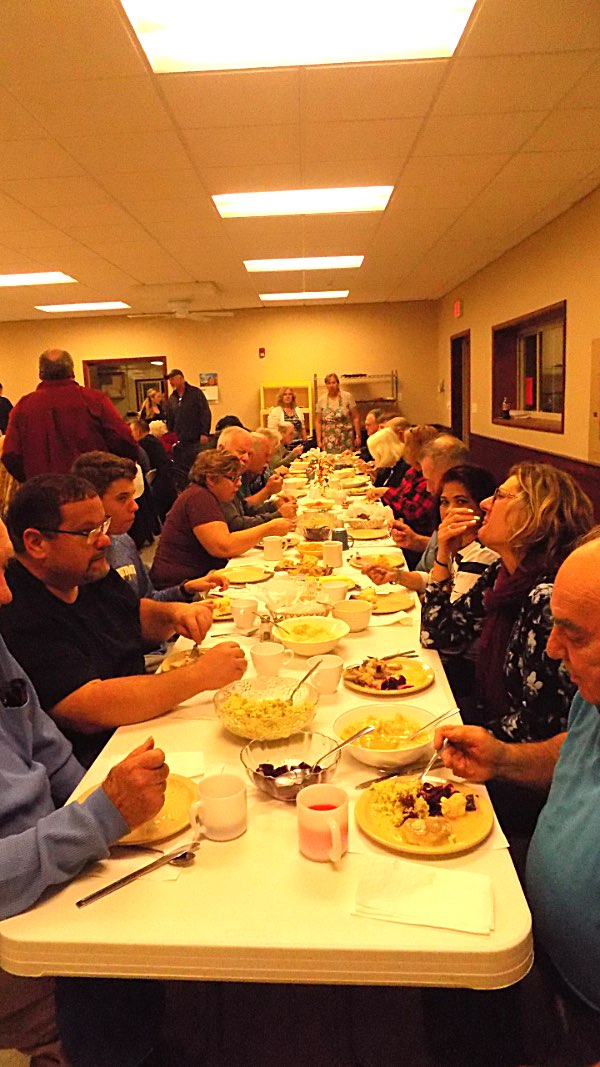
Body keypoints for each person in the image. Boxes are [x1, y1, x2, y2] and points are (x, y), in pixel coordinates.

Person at [432, 535, 600, 1065]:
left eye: (573, 634)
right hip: (528, 935)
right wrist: (503, 759)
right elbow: (576, 749)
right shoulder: (594, 695)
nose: (551, 649)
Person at [0, 474, 247, 767]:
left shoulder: (87, 571)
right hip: (106, 756)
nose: (105, 539)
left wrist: (174, 613)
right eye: (88, 531)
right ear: (36, 542)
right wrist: (199, 676)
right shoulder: (16, 605)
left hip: (146, 720)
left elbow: (132, 617)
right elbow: (87, 708)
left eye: (102, 525)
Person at [421, 462, 594, 743]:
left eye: (500, 496)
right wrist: (443, 555)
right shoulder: (503, 574)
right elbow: (437, 633)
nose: (486, 503)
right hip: (489, 719)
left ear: (537, 514)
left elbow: (540, 726)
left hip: (518, 757)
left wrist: (453, 736)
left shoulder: (550, 597)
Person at [71, 451, 228, 606]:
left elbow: (149, 600)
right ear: (94, 502)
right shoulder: (80, 561)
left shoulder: (124, 541)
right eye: (122, 498)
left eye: (133, 496)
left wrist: (185, 589)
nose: (135, 506)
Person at [150, 450, 293, 589]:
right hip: (178, 587)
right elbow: (224, 547)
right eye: (233, 478)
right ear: (211, 479)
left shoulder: (208, 494)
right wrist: (269, 528)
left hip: (200, 578)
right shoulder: (198, 498)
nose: (238, 484)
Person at [1, 349, 138, 482]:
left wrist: (31, 478)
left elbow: (10, 454)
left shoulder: (24, 406)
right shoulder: (94, 400)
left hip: (43, 492)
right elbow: (124, 441)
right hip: (90, 489)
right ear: (71, 371)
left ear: (41, 373)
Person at [217, 426, 296, 532]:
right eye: (241, 452)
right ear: (221, 449)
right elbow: (236, 524)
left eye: (249, 454)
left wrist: (274, 505)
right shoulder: (216, 479)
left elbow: (245, 509)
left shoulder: (232, 475)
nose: (246, 458)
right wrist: (277, 516)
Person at [128, 416, 177, 521]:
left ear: (137, 431)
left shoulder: (142, 446)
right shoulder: (155, 441)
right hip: (167, 484)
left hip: (157, 488)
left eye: (131, 431)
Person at [165, 368, 211, 463]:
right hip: (179, 440)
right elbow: (170, 418)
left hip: (195, 438)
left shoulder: (195, 393)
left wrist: (204, 432)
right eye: (169, 380)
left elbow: (205, 412)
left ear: (181, 378)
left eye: (173, 378)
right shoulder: (172, 398)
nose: (171, 382)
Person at [315, 373, 361, 454]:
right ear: (326, 385)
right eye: (329, 383)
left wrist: (358, 436)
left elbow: (356, 417)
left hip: (345, 437)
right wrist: (319, 441)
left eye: (333, 382)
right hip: (328, 439)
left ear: (338, 383)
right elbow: (318, 421)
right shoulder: (321, 400)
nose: (331, 385)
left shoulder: (347, 397)